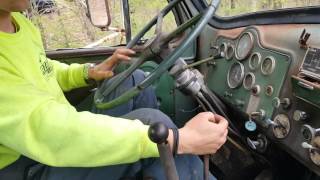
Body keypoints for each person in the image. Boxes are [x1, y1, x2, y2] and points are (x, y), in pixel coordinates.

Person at [0, 0, 229, 179]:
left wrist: (87, 73)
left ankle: (151, 167)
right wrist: (179, 139)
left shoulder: (20, 23)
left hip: (49, 139)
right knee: (153, 127)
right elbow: (47, 130)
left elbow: (43, 67)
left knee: (134, 80)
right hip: (29, 164)